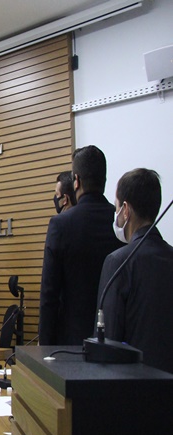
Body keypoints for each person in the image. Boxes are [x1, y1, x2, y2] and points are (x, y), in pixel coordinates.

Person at [39, 145, 122, 346]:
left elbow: (49, 294)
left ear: (76, 181)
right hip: (114, 340)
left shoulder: (61, 224)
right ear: (104, 179)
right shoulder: (119, 221)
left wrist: (45, 346)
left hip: (71, 342)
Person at [97, 168, 173, 374]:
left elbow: (108, 342)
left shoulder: (117, 262)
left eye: (116, 208)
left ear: (126, 210)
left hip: (131, 385)